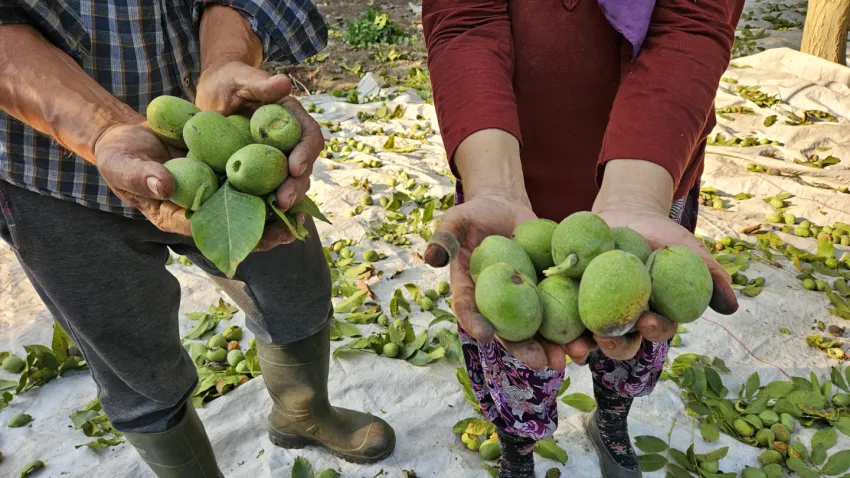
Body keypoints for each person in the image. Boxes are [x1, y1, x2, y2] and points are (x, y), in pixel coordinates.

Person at [0, 2, 394, 476]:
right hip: (46, 175)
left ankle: (302, 415)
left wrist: (230, 60)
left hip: (230, 138)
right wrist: (102, 129)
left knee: (295, 290)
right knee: (133, 362)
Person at [422, 1, 745, 477]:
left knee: (634, 328)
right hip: (508, 171)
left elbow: (692, 21)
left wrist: (637, 194)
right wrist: (493, 183)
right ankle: (517, 447)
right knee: (512, 344)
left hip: (650, 181)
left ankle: (611, 420)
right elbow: (464, 19)